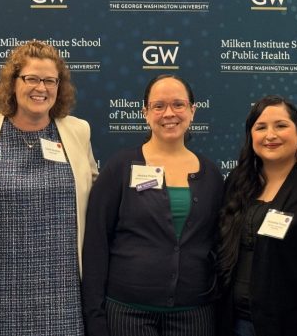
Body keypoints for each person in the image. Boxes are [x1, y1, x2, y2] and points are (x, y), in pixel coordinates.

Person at [0, 39, 98, 336]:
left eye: (50, 80)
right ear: (13, 82)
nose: (41, 88)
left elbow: (95, 193)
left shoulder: (78, 131)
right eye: (31, 78)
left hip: (61, 287)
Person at [82, 74, 223, 336]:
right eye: (159, 106)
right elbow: (95, 244)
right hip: (127, 313)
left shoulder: (212, 175)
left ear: (193, 111)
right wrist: (95, 316)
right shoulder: (120, 168)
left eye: (178, 104)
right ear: (145, 113)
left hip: (194, 314)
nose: (169, 113)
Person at [217, 95, 297, 336]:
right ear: (251, 136)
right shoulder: (237, 182)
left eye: (280, 125)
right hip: (235, 323)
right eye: (261, 127)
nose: (270, 135)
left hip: (293, 326)